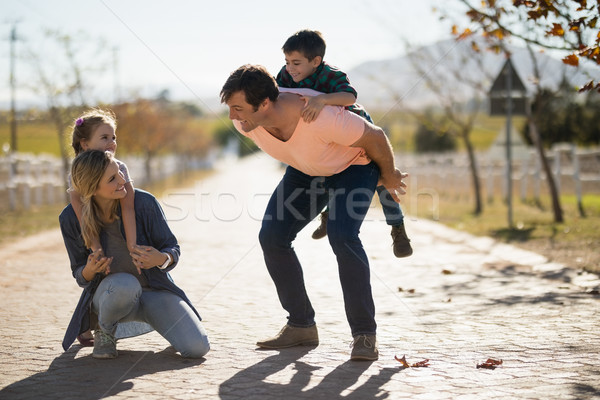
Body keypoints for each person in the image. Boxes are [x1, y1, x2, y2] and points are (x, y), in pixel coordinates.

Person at [220, 64, 407, 361]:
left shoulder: (318, 115)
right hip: (306, 173)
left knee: (342, 235)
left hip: (353, 168)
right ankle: (301, 325)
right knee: (272, 237)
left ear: (265, 103)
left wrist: (389, 174)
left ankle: (364, 335)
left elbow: (375, 136)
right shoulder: (246, 123)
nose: (233, 116)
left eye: (238, 108)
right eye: (231, 108)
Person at [60, 150, 210, 359]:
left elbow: (171, 246)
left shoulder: (144, 203)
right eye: (112, 178)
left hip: (153, 291)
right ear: (92, 188)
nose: (123, 179)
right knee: (126, 284)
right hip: (111, 296)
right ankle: (105, 330)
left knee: (197, 348)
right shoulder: (69, 218)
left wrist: (162, 259)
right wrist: (89, 270)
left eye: (119, 172)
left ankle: (162, 322)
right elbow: (79, 274)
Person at [276, 29, 412, 258]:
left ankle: (397, 227)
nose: (290, 68)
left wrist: (322, 100)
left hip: (356, 129)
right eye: (287, 61)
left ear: (316, 61)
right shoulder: (286, 75)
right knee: (330, 170)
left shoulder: (331, 75)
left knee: (381, 179)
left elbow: (350, 97)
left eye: (296, 63)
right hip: (325, 136)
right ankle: (329, 215)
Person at [68, 109, 138, 347]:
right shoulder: (79, 171)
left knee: (119, 271)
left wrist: (132, 244)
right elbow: (81, 212)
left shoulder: (120, 167)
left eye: (113, 137)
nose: (111, 143)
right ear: (85, 144)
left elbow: (128, 206)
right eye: (104, 137)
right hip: (93, 227)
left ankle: (114, 318)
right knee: (98, 271)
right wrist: (95, 247)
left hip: (116, 227)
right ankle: (87, 323)